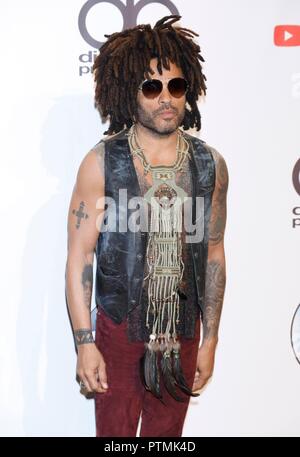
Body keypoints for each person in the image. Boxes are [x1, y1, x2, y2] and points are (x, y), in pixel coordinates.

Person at [65, 14, 228, 437]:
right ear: (130, 94)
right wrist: (85, 343)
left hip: (182, 330)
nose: (166, 99)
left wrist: (208, 341)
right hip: (120, 328)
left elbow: (213, 252)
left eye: (175, 87)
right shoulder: (102, 162)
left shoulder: (210, 164)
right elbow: (81, 256)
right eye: (152, 88)